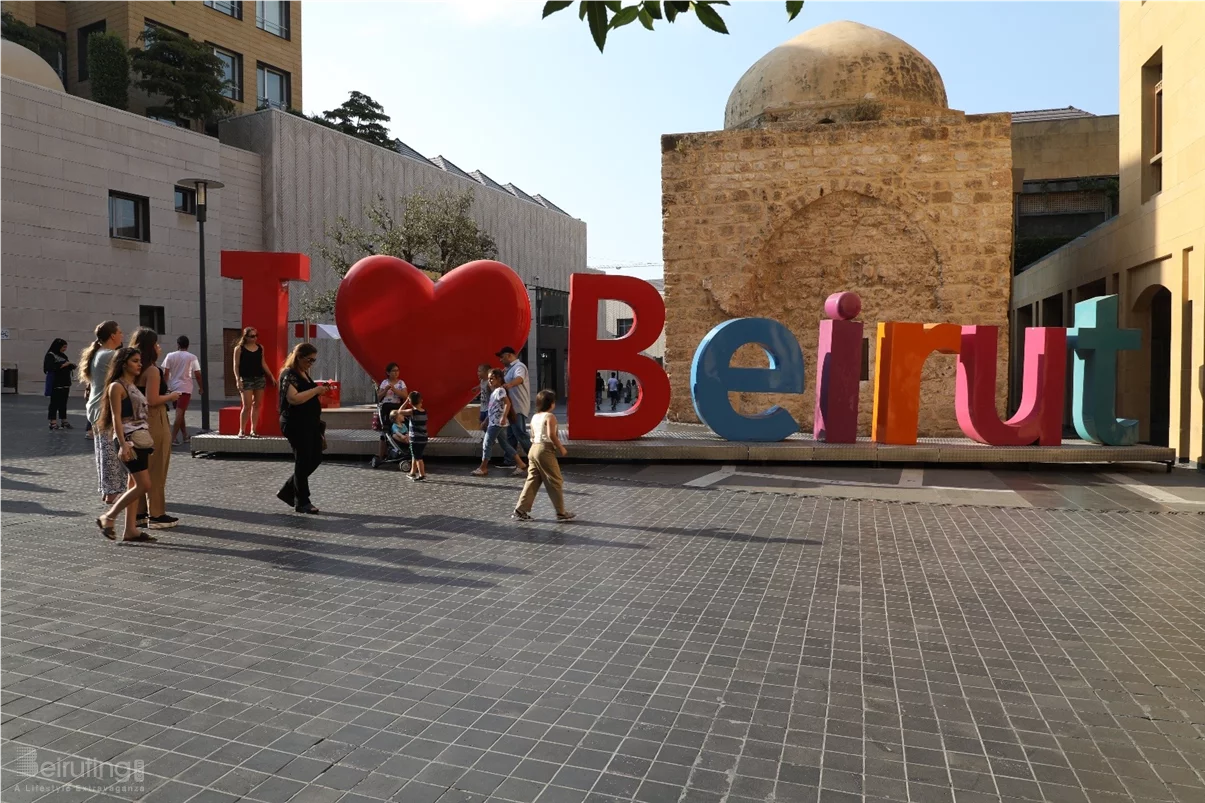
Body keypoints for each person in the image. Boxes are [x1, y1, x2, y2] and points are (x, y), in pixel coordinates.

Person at [94, 347, 157, 543]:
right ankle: (108, 517)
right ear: (123, 364)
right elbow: (116, 417)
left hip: (139, 439)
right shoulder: (116, 387)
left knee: (133, 483)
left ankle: (130, 530)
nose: (139, 364)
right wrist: (123, 444)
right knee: (144, 484)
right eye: (134, 361)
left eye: (140, 361)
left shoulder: (132, 385)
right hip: (128, 440)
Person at [130, 328, 180, 530]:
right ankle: (157, 514)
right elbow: (152, 400)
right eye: (156, 344)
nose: (159, 347)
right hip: (154, 419)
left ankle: (139, 512)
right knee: (157, 467)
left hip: (135, 421)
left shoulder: (131, 368)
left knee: (141, 467)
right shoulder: (152, 370)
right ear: (150, 347)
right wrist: (172, 396)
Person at [277, 343, 330, 514]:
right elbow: (293, 398)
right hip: (295, 423)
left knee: (315, 458)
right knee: (303, 459)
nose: (311, 363)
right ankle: (302, 501)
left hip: (310, 422)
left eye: (314, 360)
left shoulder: (303, 373)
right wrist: (316, 390)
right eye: (309, 360)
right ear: (299, 357)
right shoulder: (288, 374)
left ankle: (288, 490)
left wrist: (319, 391)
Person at [79, 321, 126, 504]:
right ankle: (112, 491)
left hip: (95, 407)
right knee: (110, 452)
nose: (122, 335)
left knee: (102, 450)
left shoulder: (99, 353)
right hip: (104, 408)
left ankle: (107, 490)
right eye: (120, 332)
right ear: (112, 336)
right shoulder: (110, 355)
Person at [513, 389, 574, 522]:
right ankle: (561, 512)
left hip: (533, 448)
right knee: (555, 480)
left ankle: (520, 509)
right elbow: (551, 434)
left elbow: (532, 435)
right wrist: (561, 447)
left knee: (533, 480)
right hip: (544, 450)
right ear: (551, 403)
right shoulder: (550, 417)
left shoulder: (535, 416)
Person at [472, 369, 526, 477]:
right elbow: (493, 409)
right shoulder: (495, 392)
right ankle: (521, 464)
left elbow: (507, 403)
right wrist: (486, 420)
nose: (490, 381)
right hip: (494, 422)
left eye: (492, 378)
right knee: (505, 444)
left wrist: (503, 417)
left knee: (487, 443)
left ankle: (483, 467)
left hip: (496, 423)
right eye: (489, 379)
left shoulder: (500, 391)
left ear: (499, 379)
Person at [233, 327, 275, 438]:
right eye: (252, 336)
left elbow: (263, 362)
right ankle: (242, 430)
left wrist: (271, 375)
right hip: (246, 378)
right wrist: (238, 379)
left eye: (256, 336)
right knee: (246, 405)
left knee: (257, 405)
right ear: (245, 337)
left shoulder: (260, 348)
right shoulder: (239, 349)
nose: (255, 338)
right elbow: (236, 365)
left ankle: (253, 430)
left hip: (259, 378)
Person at [161, 335, 202, 445]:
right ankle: (173, 438)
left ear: (178, 344)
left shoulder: (170, 356)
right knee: (180, 413)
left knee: (180, 412)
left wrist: (165, 386)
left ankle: (185, 436)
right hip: (185, 388)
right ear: (188, 345)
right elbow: (197, 374)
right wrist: (201, 387)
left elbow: (166, 373)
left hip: (173, 387)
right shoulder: (192, 357)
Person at [498, 346, 532, 455]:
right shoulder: (507, 369)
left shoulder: (519, 366)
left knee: (520, 433)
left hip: (518, 406)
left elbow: (519, 378)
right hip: (510, 407)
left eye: (502, 357)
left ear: (509, 355)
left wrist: (510, 384)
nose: (500, 360)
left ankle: (534, 458)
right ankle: (509, 460)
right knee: (511, 435)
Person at [376, 363, 408, 460]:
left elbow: (405, 396)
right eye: (393, 371)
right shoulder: (384, 382)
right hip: (386, 408)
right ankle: (381, 455)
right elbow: (378, 397)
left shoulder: (401, 383)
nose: (396, 373)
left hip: (396, 409)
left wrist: (395, 390)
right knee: (385, 433)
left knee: (399, 428)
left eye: (397, 371)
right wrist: (385, 390)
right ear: (388, 372)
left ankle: (401, 450)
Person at [43, 338, 75, 431]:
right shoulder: (50, 355)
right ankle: (53, 422)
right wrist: (63, 365)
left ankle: (64, 420)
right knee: (54, 403)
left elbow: (67, 365)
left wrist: (71, 365)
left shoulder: (63, 355)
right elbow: (49, 367)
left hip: (65, 382)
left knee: (63, 403)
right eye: (63, 347)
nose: (64, 349)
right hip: (56, 382)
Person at [396, 391, 428, 482]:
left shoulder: (412, 412)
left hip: (415, 439)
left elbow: (399, 412)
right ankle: (412, 472)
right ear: (421, 400)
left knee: (418, 458)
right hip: (424, 438)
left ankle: (422, 474)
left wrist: (406, 402)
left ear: (410, 402)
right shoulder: (424, 411)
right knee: (415, 455)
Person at [476, 364, 492, 430]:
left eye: (480, 371)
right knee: (481, 423)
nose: (478, 373)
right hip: (483, 407)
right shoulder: (482, 381)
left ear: (486, 372)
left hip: (488, 408)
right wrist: (476, 388)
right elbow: (481, 385)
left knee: (486, 424)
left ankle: (489, 435)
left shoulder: (489, 383)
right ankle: (486, 434)